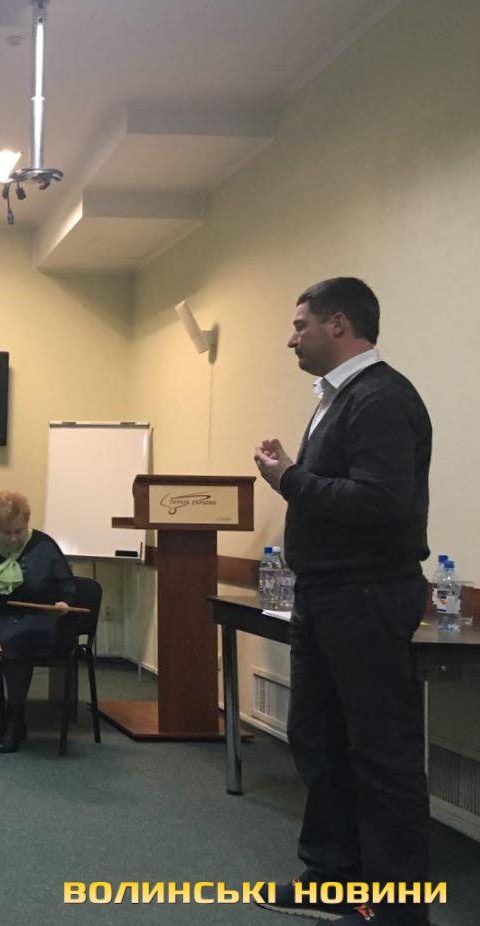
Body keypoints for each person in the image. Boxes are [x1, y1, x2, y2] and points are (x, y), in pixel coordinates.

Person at [253, 277, 432, 926]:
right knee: (317, 740)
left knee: (380, 755)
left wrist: (289, 478)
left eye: (300, 324)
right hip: (326, 595)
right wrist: (293, 477)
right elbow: (340, 492)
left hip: (366, 596)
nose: (290, 338)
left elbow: (381, 504)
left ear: (338, 324)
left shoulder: (380, 398)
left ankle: (397, 910)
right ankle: (332, 877)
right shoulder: (337, 400)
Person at [0, 490, 75, 754]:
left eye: (19, 531)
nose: (14, 538)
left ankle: (14, 719)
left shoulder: (44, 546)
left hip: (38, 619)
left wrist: (63, 602)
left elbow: (66, 583)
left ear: (27, 523)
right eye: (7, 533)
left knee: (15, 642)